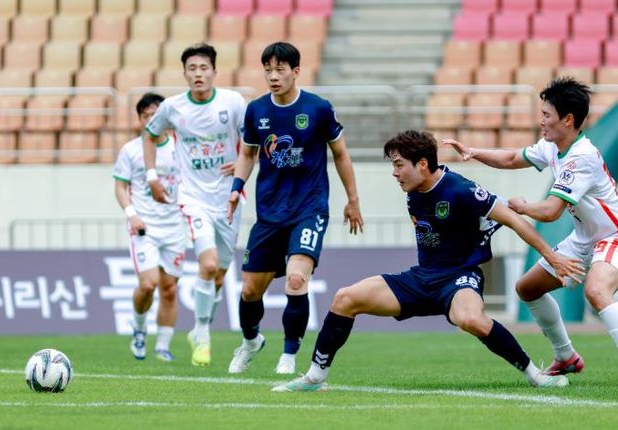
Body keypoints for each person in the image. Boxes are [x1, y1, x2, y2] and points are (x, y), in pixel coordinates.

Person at [272, 130, 586, 392]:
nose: (394, 173)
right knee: (345, 298)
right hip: (422, 278)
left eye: (399, 165)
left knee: (471, 320)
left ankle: (535, 375)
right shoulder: (414, 192)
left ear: (422, 164)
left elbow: (515, 221)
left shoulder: (462, 190)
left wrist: (552, 257)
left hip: (459, 277)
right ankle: (315, 377)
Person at [442, 77, 618, 388]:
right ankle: (566, 356)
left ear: (567, 119)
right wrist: (473, 152)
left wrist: (523, 207)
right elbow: (512, 158)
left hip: (613, 237)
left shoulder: (581, 157)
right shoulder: (553, 147)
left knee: (596, 291)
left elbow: (552, 211)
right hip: (584, 239)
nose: (540, 121)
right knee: (527, 288)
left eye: (546, 115)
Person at [226, 41, 364, 375]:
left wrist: (353, 200)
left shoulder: (318, 108)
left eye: (280, 69)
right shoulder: (256, 111)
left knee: (297, 279)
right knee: (250, 290)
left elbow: (341, 154)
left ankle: (289, 355)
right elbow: (247, 154)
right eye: (268, 70)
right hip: (269, 213)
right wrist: (236, 187)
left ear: (296, 71)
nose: (273, 76)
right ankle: (251, 342)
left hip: (309, 208)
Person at [144, 43, 247, 367]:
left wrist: (243, 163)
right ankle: (201, 332)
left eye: (204, 68)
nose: (198, 74)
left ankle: (201, 326)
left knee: (219, 276)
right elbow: (149, 135)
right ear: (185, 73)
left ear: (214, 72)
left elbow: (252, 141)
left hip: (229, 198)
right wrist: (151, 176)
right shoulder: (173, 107)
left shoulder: (233, 102)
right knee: (208, 264)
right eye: (192, 68)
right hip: (192, 198)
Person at [113, 93, 184, 362]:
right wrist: (132, 214)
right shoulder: (131, 150)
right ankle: (140, 328)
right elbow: (120, 186)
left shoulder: (180, 146)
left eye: (156, 114)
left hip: (175, 227)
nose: (152, 120)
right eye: (146, 116)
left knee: (169, 289)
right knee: (148, 284)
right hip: (145, 227)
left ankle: (163, 346)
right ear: (140, 119)